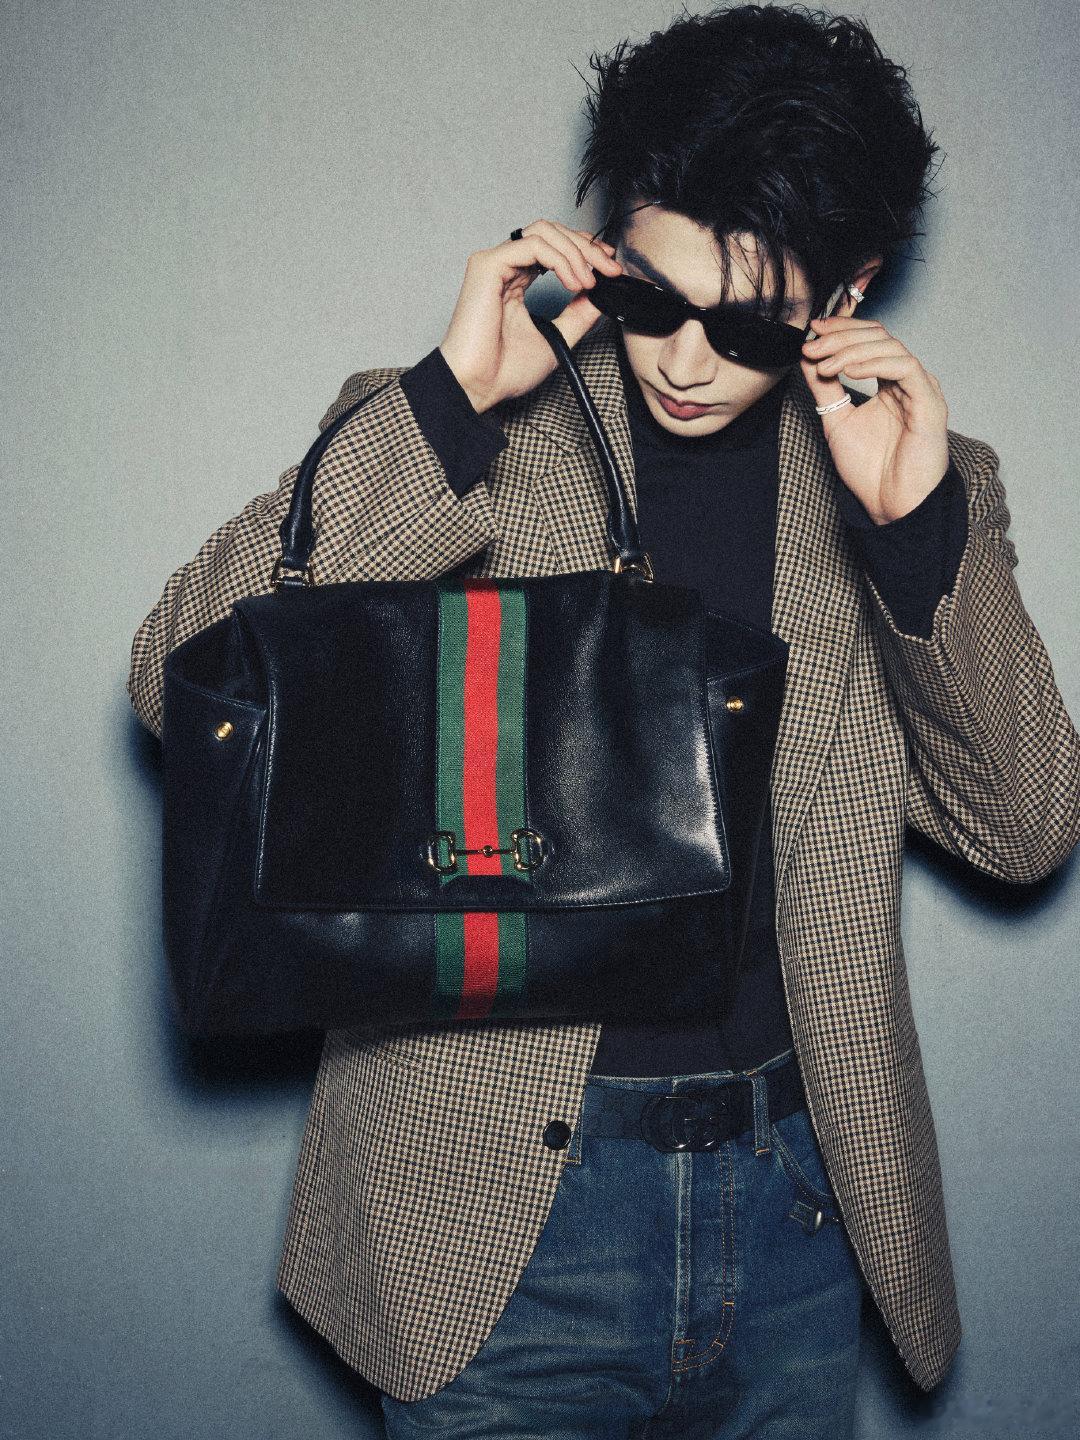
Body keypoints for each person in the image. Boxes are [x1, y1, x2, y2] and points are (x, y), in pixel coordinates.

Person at [126, 4, 1080, 1435]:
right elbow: (174, 680)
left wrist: (913, 536)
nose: (687, 360)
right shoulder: (453, 430)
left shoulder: (908, 474)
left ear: (848, 291)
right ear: (606, 249)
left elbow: (1026, 828)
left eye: (745, 324)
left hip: (796, 1208)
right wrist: (453, 405)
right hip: (496, 1228)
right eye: (651, 301)